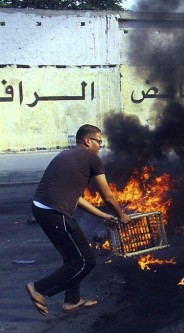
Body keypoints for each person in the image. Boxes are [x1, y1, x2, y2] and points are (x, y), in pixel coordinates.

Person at [25, 124, 131, 316]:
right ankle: (39, 289)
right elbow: (107, 196)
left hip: (42, 209)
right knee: (85, 261)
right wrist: (121, 215)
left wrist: (104, 215)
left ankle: (72, 300)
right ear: (87, 141)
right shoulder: (92, 159)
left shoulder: (68, 156)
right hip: (55, 213)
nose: (101, 146)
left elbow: (77, 197)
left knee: (72, 257)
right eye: (99, 141)